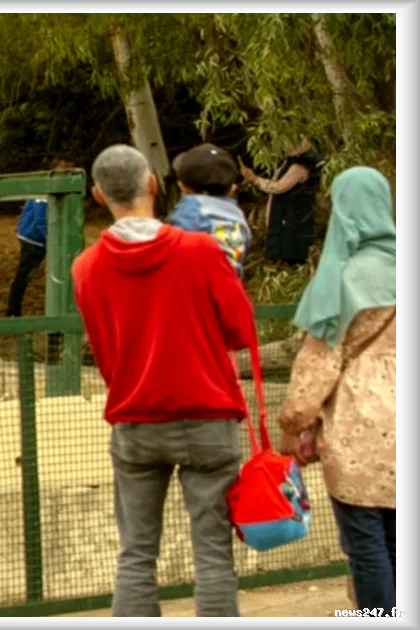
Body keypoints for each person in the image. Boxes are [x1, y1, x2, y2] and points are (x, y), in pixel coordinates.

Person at [73, 144, 259, 617]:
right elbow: (240, 329)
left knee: (136, 556)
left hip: (136, 418)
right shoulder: (202, 252)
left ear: (97, 195)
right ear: (154, 182)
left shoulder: (86, 267)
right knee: (214, 558)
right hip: (209, 415)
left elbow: (104, 352)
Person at [275, 166, 396, 611]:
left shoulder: (342, 279)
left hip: (359, 422)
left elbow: (318, 364)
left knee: (367, 545)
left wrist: (293, 424)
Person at [167, 143, 252, 277]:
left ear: (183, 186)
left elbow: (169, 250)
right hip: (231, 287)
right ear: (232, 189)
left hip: (197, 287)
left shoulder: (191, 209)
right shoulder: (237, 215)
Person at [6, 157, 76, 317]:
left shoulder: (59, 187)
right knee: (24, 275)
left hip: (39, 237)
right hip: (33, 238)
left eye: (69, 170)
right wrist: (51, 241)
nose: (66, 173)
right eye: (63, 169)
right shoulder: (45, 188)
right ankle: (13, 312)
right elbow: (40, 219)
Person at [240, 138, 326, 265]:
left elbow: (278, 187)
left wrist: (255, 179)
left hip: (293, 217)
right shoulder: (287, 164)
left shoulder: (299, 166)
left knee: (291, 252)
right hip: (286, 216)